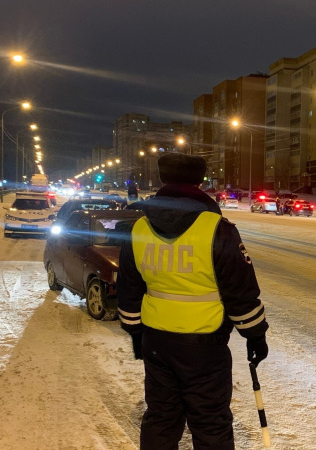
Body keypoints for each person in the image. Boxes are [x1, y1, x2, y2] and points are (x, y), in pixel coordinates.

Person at [118, 153, 269, 450]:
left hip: (157, 341)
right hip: (205, 345)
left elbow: (129, 289)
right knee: (210, 421)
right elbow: (240, 292)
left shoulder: (139, 229)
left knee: (161, 417)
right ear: (200, 182)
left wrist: (135, 332)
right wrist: (255, 336)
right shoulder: (218, 229)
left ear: (163, 180)